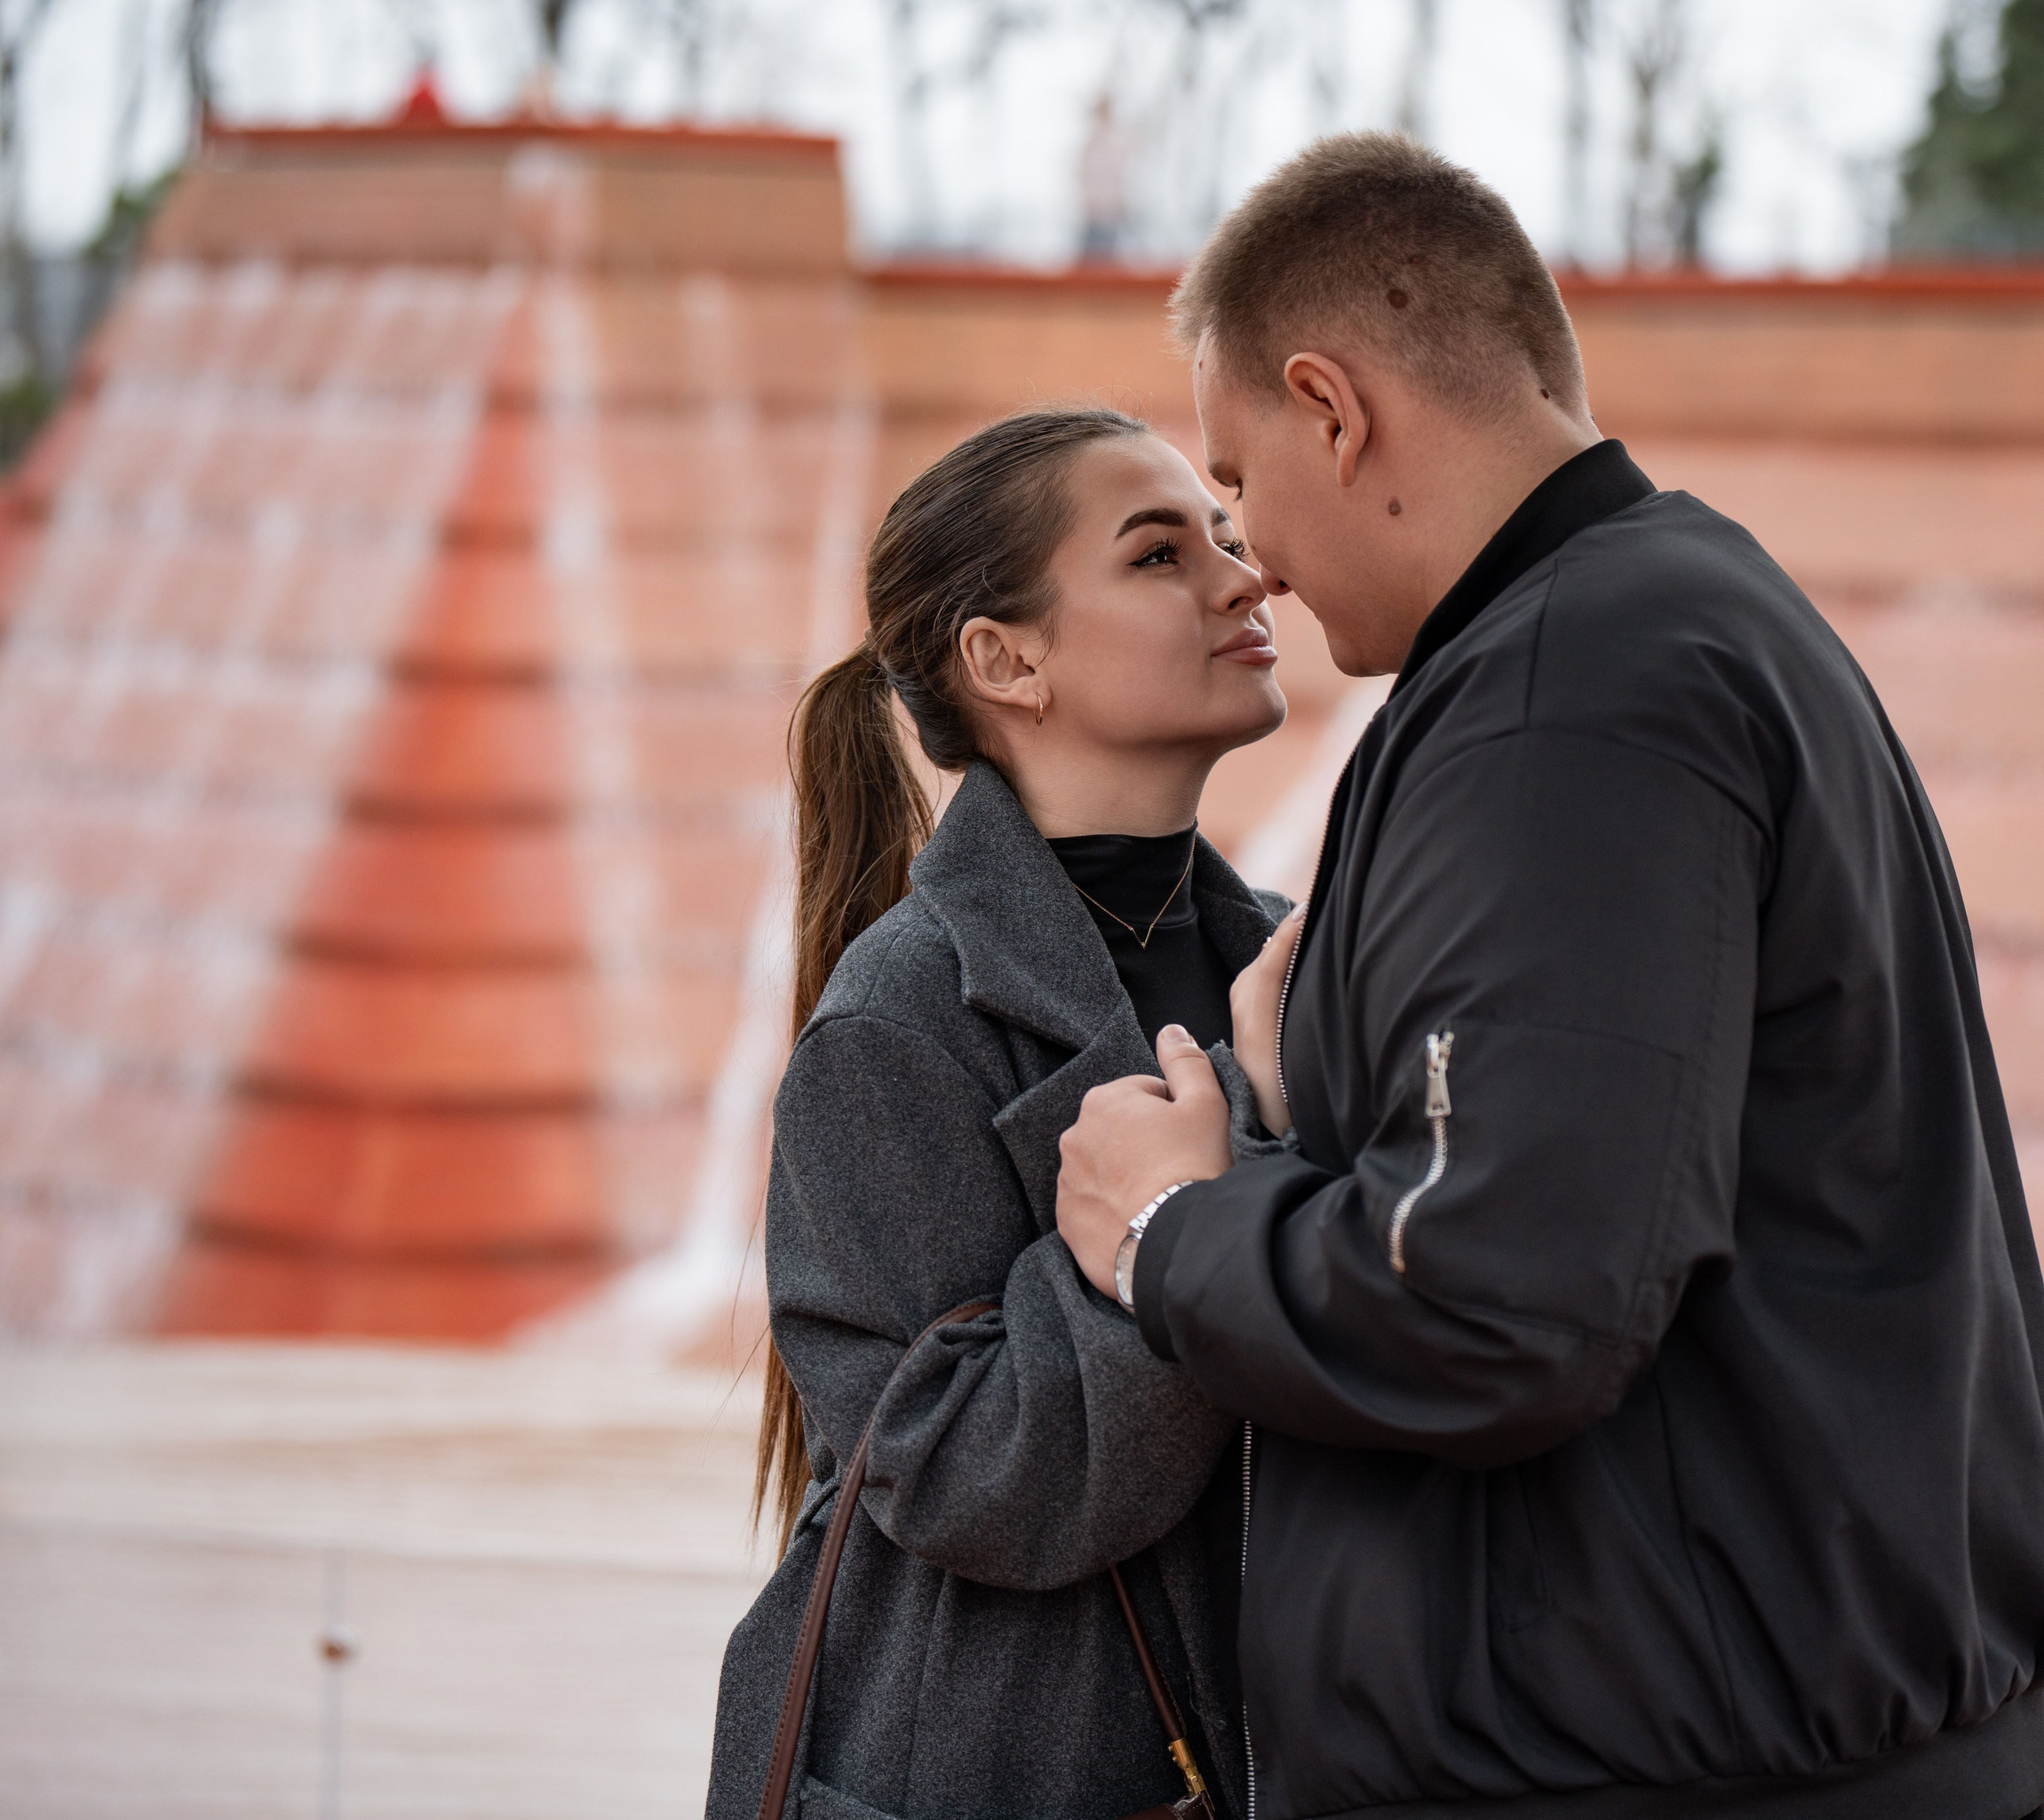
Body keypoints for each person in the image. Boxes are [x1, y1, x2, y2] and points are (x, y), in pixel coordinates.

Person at [1054, 133, 2044, 1818]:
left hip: (1661, 1766)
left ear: (1333, 407)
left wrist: (1177, 1227)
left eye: (1238, 484)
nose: (1254, 562)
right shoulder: (1678, 617)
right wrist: (1330, 1105)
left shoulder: (1567, 694)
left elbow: (1497, 1301)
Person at [706, 407, 1292, 1820]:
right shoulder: (895, 1023)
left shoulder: (1288, 962)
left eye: (1223, 536)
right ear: (1005, 658)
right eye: (1160, 554)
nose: (1243, 576)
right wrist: (1211, 1194)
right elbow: (980, 1476)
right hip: (1012, 1765)